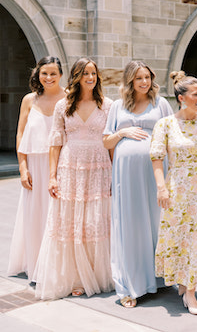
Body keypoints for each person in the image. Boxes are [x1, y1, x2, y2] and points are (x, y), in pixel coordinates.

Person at [33, 57, 113, 299]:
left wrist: (115, 172)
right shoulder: (63, 105)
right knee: (70, 222)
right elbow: (55, 142)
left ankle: (97, 274)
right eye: (85, 73)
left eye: (93, 73)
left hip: (99, 166)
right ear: (76, 76)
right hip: (70, 167)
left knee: (94, 220)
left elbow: (111, 143)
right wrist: (52, 177)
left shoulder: (108, 105)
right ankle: (74, 277)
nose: (90, 77)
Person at [102, 61, 173, 308]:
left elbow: (172, 137)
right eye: (139, 78)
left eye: (147, 77)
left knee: (155, 222)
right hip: (126, 176)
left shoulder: (161, 103)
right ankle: (130, 284)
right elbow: (107, 143)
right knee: (130, 225)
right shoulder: (118, 106)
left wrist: (172, 175)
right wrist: (122, 133)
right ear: (130, 81)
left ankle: (159, 277)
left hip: (155, 174)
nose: (144, 82)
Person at [150, 71, 197, 315]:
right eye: (195, 94)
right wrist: (161, 188)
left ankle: (190, 290)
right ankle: (184, 284)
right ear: (182, 98)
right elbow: (157, 158)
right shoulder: (165, 124)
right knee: (180, 238)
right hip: (177, 189)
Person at [8, 56, 66, 282]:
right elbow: (20, 134)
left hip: (61, 164)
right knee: (35, 214)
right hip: (34, 164)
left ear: (61, 74)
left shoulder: (68, 97)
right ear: (38, 75)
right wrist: (23, 168)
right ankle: (37, 265)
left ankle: (58, 266)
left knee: (58, 214)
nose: (49, 78)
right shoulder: (29, 100)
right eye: (44, 73)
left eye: (53, 73)